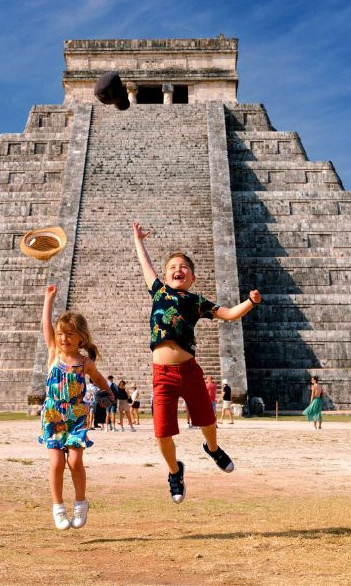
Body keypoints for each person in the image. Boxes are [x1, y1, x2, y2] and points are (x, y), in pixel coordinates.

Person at [132, 221, 262, 503]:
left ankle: (213, 448)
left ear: (191, 277)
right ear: (165, 276)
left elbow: (227, 314)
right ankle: (174, 471)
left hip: (190, 371)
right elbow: (146, 265)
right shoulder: (158, 291)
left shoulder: (196, 301)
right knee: (162, 433)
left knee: (207, 420)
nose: (178, 270)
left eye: (184, 267)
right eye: (173, 268)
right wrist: (138, 240)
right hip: (162, 374)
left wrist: (250, 302)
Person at [38, 285, 113, 530]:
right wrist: (49, 299)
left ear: (81, 337)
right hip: (52, 414)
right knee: (57, 463)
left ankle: (81, 503)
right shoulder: (53, 353)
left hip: (77, 414)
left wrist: (107, 393)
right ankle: (58, 507)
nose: (64, 338)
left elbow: (101, 381)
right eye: (61, 334)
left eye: (70, 334)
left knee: (75, 462)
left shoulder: (84, 363)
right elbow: (45, 328)